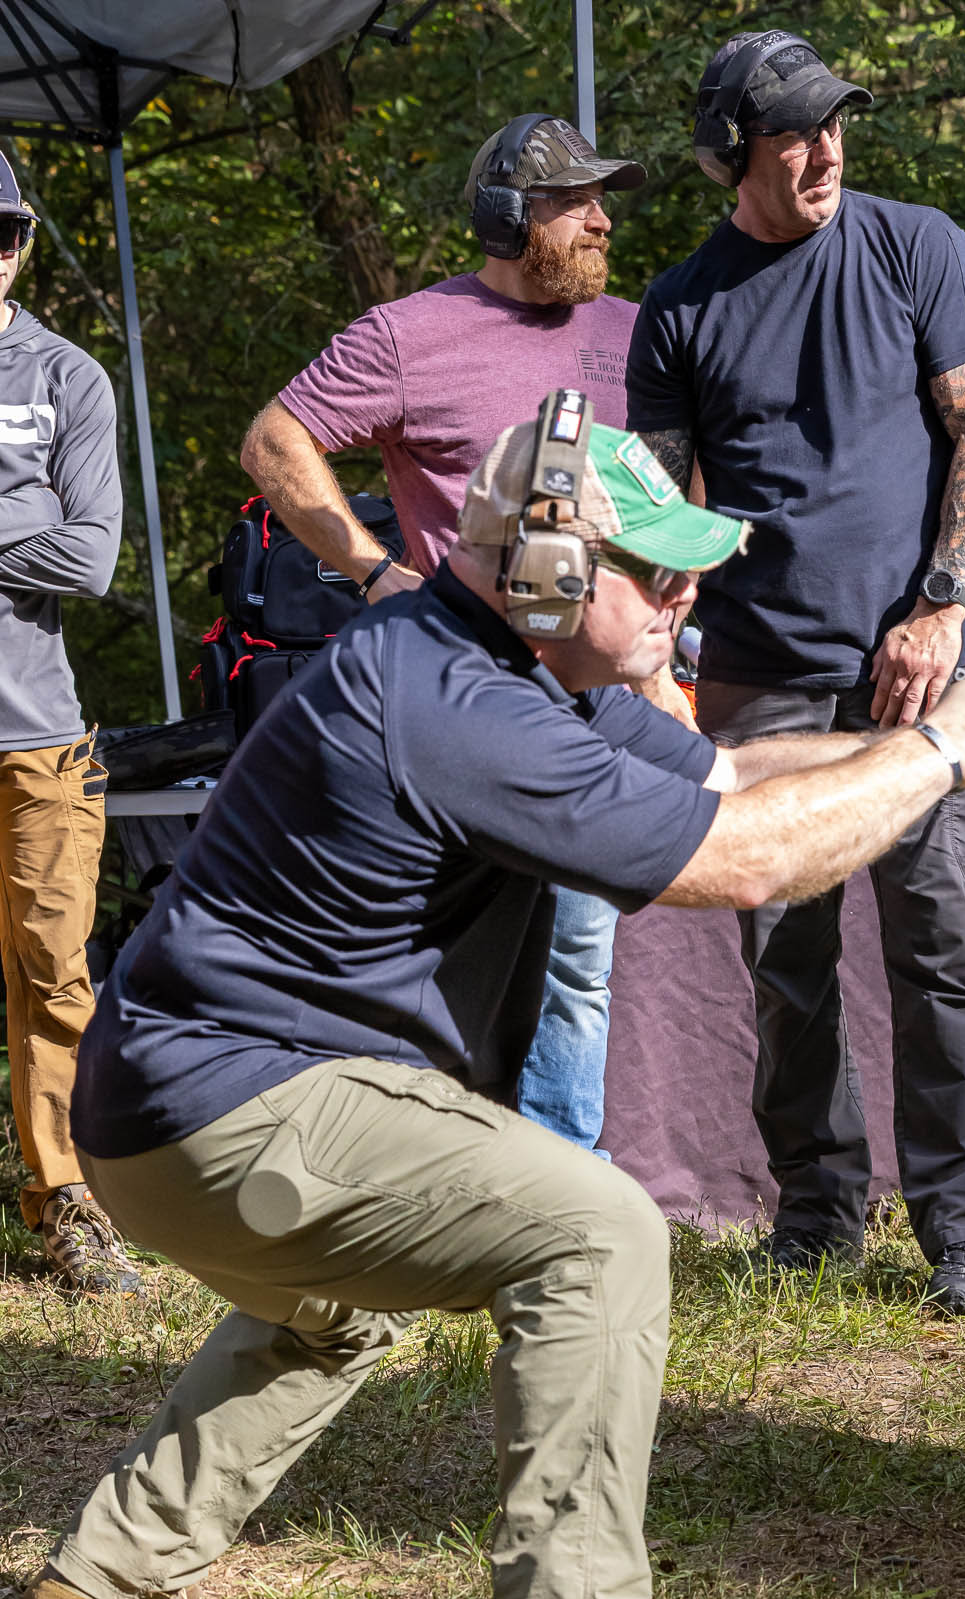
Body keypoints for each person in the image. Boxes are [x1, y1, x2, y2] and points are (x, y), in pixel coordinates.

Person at [0, 404, 965, 1599]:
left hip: (176, 1105)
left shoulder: (499, 671)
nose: (689, 593)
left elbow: (736, 773)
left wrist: (938, 751)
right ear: (545, 568)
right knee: (597, 1228)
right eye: (655, 568)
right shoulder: (458, 705)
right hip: (225, 1112)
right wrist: (941, 753)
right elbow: (744, 860)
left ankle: (84, 1590)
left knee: (335, 1312)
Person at [627, 31, 965, 1314]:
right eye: (793, 132)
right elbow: (652, 503)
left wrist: (937, 609)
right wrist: (657, 605)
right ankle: (815, 1214)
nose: (824, 149)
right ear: (730, 156)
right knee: (786, 957)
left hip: (914, 663)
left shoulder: (916, 245)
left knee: (939, 946)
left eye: (833, 123)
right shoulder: (679, 304)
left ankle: (963, 1233)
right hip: (756, 678)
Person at [240, 114, 677, 1159]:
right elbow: (273, 441)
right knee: (435, 963)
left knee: (576, 960)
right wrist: (375, 571)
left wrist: (668, 612)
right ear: (505, 218)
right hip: (458, 698)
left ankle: (561, 1188)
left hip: (598, 692)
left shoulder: (636, 328)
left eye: (600, 201)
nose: (602, 221)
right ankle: (413, 1188)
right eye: (576, 204)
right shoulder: (407, 336)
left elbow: (678, 473)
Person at [0, 149, 134, 1293]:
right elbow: (49, 534)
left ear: (21, 243)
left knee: (54, 973)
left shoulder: (67, 377)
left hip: (37, 735)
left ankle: (69, 1203)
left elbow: (89, 556)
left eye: (1, 233)